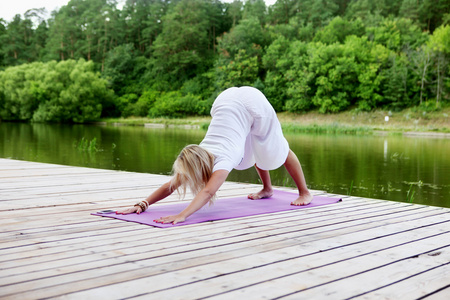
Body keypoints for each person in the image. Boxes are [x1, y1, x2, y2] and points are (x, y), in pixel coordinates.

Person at [116, 86, 312, 224]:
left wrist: (182, 215)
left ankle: (304, 192)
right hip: (226, 103)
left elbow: (208, 192)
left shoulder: (223, 159)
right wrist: (143, 204)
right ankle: (267, 189)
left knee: (275, 147)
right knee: (253, 147)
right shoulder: (198, 154)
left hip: (253, 103)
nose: (186, 179)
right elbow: (170, 185)